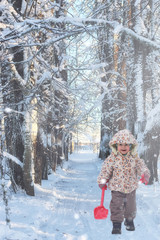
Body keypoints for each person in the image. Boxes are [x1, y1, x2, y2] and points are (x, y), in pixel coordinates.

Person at [97, 129, 150, 234]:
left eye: (126, 144)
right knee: (116, 206)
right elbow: (105, 170)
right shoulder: (112, 158)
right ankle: (116, 224)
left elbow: (141, 166)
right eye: (121, 144)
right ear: (116, 146)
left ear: (131, 146)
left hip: (131, 187)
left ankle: (129, 220)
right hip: (116, 187)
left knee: (131, 206)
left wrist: (145, 173)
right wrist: (102, 180)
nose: (124, 147)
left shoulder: (134, 158)